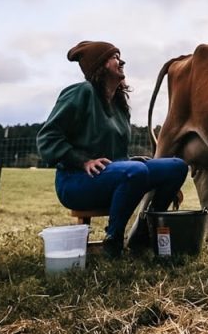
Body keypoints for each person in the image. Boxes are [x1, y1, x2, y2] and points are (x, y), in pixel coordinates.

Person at [37, 40, 188, 257]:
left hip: (112, 175)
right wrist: (82, 160)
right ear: (99, 65)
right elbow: (47, 138)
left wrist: (129, 160)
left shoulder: (119, 104)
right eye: (115, 57)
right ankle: (113, 241)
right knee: (136, 171)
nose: (121, 61)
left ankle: (145, 231)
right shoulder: (82, 92)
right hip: (76, 181)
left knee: (176, 166)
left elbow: (113, 156)